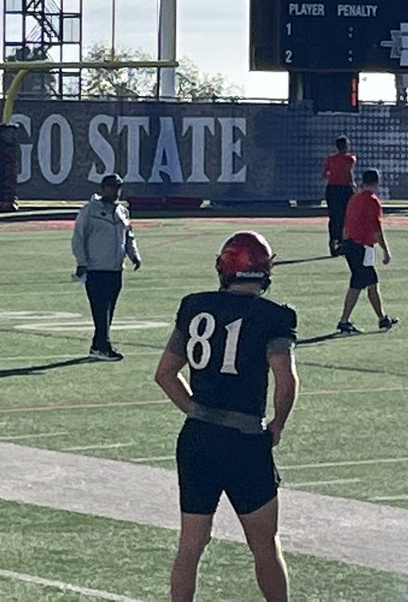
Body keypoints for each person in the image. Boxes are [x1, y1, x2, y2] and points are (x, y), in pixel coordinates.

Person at [153, 231, 298, 602]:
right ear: (264, 271)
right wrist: (277, 424)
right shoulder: (274, 316)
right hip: (244, 442)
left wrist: (198, 412)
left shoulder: (195, 306)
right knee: (265, 544)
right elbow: (286, 381)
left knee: (190, 545)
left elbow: (165, 374)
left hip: (197, 438)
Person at [71, 172, 141, 361]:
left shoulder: (122, 211)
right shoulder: (90, 210)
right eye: (112, 187)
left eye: (118, 187)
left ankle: (97, 345)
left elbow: (129, 236)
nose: (116, 191)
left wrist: (134, 255)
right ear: (103, 188)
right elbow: (79, 237)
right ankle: (104, 345)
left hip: (116, 269)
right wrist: (82, 262)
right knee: (100, 310)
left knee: (110, 309)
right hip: (96, 268)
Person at [336, 169, 397, 335]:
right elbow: (376, 229)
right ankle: (345, 321)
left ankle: (382, 318)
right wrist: (385, 250)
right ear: (377, 182)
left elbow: (346, 223)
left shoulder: (354, 198)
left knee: (367, 282)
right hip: (361, 247)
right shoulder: (372, 201)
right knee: (363, 283)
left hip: (352, 245)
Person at [322, 135, 357, 256]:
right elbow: (349, 172)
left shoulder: (331, 158)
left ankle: (333, 239)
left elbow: (325, 174)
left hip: (332, 189)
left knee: (333, 217)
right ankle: (342, 241)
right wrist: (353, 184)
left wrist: (333, 176)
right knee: (345, 216)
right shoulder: (350, 158)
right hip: (345, 189)